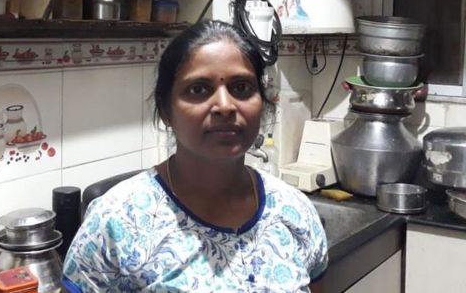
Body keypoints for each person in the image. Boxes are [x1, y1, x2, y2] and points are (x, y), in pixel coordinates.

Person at [61, 20, 328, 292]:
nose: (225, 106)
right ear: (166, 110)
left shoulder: (295, 211)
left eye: (241, 88)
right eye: (198, 89)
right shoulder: (116, 221)